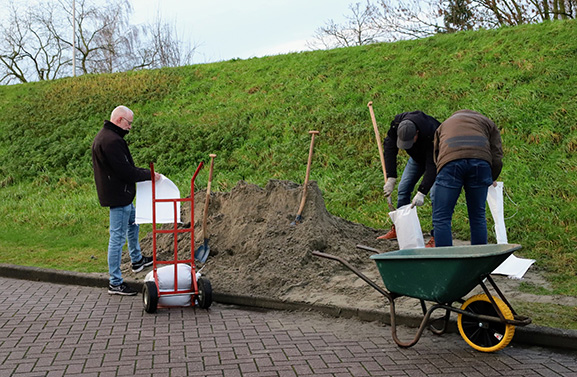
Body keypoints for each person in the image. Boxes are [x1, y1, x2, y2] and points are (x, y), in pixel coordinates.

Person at [92, 105, 161, 296]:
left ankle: (137, 260)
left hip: (119, 194)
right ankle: (115, 282)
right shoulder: (112, 141)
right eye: (129, 123)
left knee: (134, 223)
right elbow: (125, 171)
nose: (130, 127)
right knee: (117, 238)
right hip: (119, 196)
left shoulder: (104, 136)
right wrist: (149, 175)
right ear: (120, 120)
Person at [432, 109, 503, 247]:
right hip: (480, 163)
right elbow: (497, 156)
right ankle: (478, 262)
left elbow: (436, 152)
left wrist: (441, 171)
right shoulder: (488, 123)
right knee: (477, 216)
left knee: (442, 217)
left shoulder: (445, 124)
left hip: (450, 163)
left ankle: (445, 261)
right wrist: (491, 177)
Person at [379, 111, 441, 247]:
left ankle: (438, 237)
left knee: (436, 195)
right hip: (416, 159)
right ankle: (400, 229)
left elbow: (432, 165)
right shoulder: (396, 126)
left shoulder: (431, 131)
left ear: (417, 133)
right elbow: (390, 149)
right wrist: (391, 177)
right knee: (403, 189)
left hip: (437, 160)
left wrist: (422, 192)